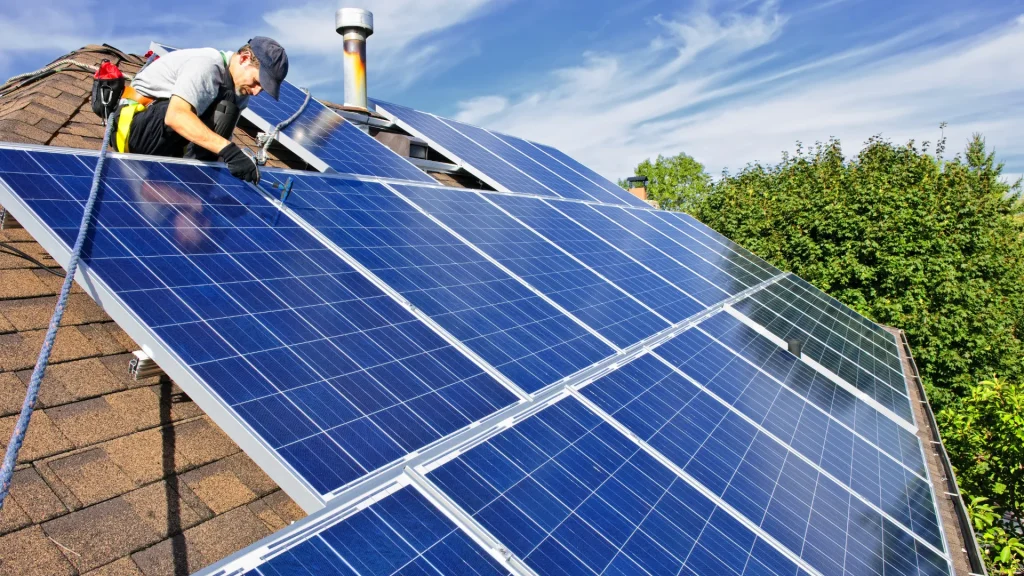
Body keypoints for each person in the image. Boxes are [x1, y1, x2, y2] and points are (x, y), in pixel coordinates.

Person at [113, 37, 289, 184]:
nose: (257, 92)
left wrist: (234, 180)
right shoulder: (208, 64)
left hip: (165, 141)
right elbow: (176, 116)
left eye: (263, 88)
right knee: (207, 116)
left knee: (226, 111)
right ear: (244, 58)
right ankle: (183, 185)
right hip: (133, 129)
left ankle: (190, 187)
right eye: (257, 82)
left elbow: (220, 142)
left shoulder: (239, 93)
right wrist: (230, 151)